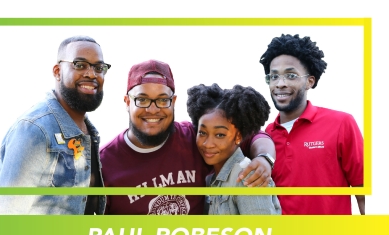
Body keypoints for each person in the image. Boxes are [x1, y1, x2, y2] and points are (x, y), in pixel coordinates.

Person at [99, 59, 276, 215]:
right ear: (128, 102)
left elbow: (253, 135)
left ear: (173, 102)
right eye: (142, 100)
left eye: (162, 100)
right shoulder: (104, 164)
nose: (153, 109)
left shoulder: (196, 138)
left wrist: (264, 158)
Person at [0, 35, 110, 214]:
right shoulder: (34, 130)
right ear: (57, 71)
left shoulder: (88, 135)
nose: (91, 73)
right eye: (80, 65)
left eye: (99, 67)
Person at [259, 34, 365, 215]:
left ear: (310, 81)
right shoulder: (266, 136)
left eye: (290, 75)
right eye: (274, 76)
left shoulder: (341, 124)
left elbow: (364, 191)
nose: (280, 84)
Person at [186, 83, 281, 215]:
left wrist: (265, 158)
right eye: (202, 133)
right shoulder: (214, 178)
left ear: (238, 137)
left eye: (220, 135)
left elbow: (263, 233)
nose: (208, 144)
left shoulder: (247, 177)